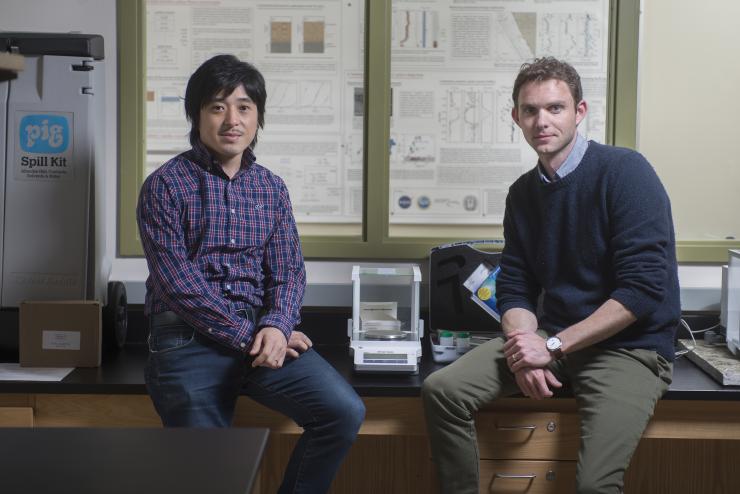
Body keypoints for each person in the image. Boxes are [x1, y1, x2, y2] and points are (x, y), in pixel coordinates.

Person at [422, 57, 679, 494]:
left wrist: (552, 346)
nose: (542, 121)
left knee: (596, 486)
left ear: (579, 111)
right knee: (441, 391)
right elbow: (517, 283)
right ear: (516, 117)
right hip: (553, 339)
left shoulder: (625, 172)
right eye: (530, 110)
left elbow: (642, 290)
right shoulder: (523, 193)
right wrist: (525, 348)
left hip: (627, 349)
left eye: (555, 108)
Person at [137, 54, 365, 494]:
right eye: (217, 106)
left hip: (259, 335)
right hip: (188, 340)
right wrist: (253, 335)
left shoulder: (271, 187)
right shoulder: (165, 186)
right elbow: (178, 285)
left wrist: (278, 325)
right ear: (196, 114)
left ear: (258, 117)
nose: (231, 120)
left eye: (244, 107)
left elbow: (289, 271)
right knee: (211, 477)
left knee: (342, 411)